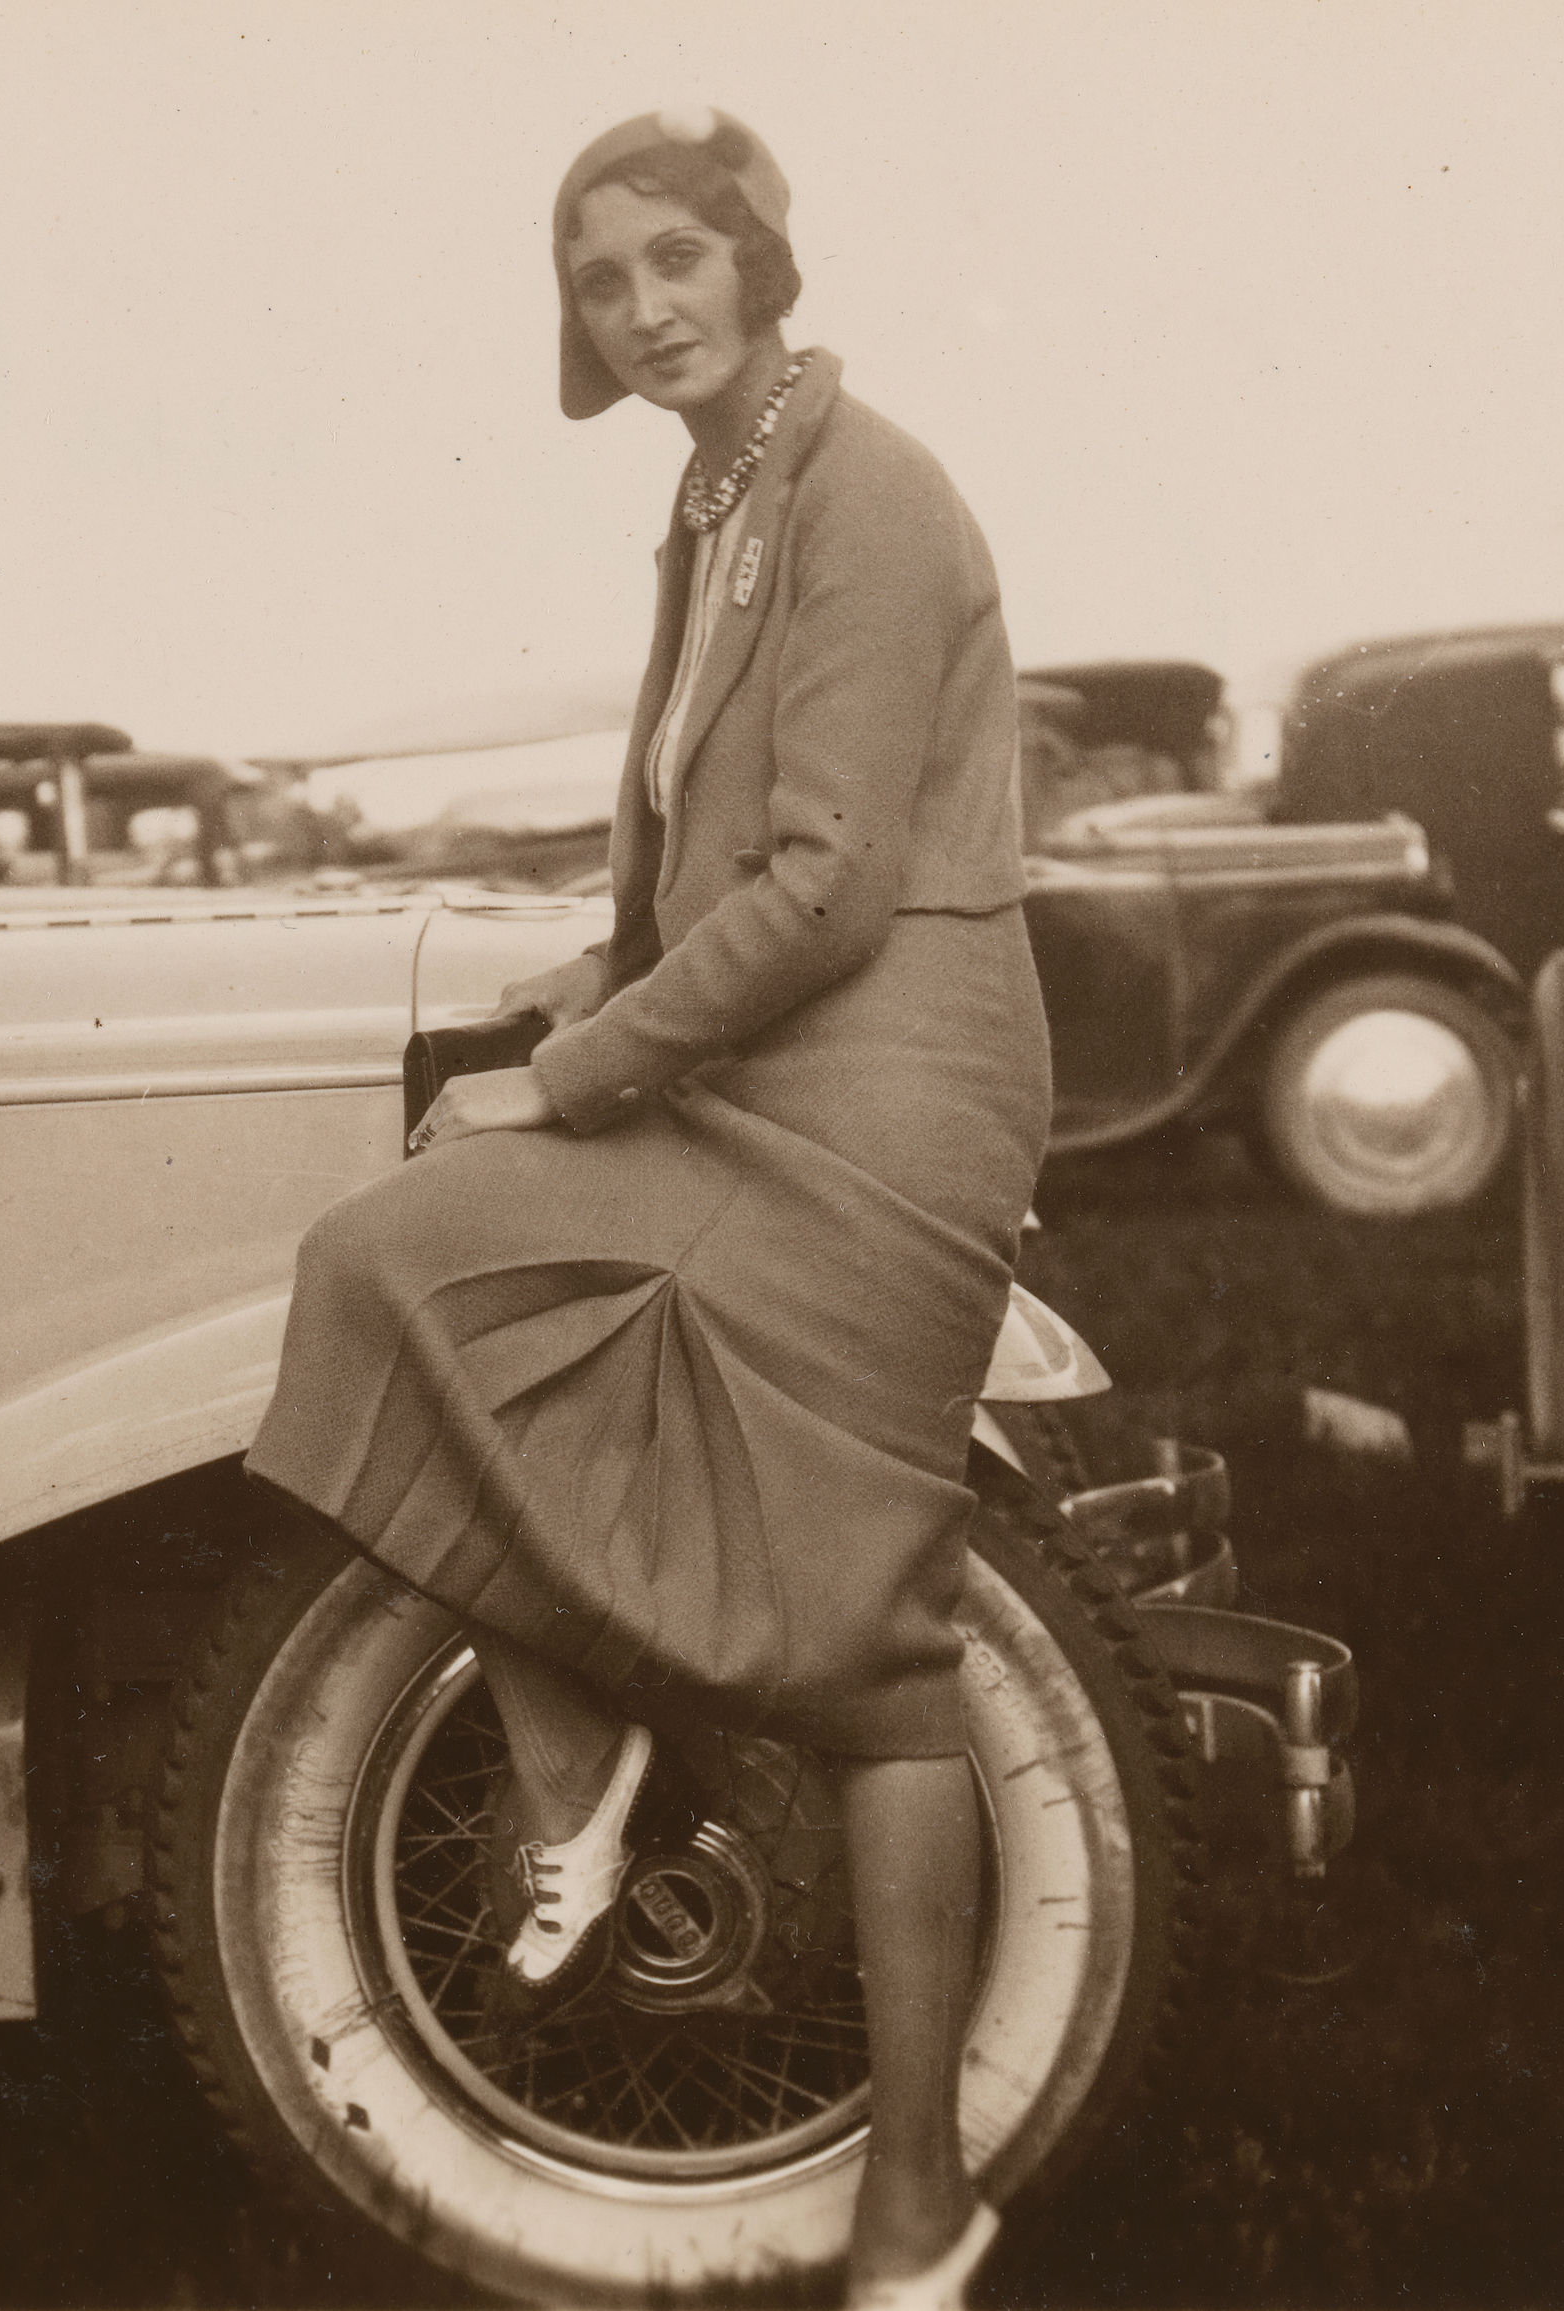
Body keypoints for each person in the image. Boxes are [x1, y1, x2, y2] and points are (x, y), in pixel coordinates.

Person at [243, 109, 1039, 2310]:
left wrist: (575, 1069)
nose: (644, 305)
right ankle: (577, 1756)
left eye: (677, 257)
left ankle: (916, 2204)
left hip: (889, 1087)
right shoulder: (716, 499)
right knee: (392, 1257)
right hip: (764, 1052)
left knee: (875, 1642)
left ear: (760, 260)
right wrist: (562, 998)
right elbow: (696, 867)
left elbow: (827, 881)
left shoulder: (864, 488)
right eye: (602, 281)